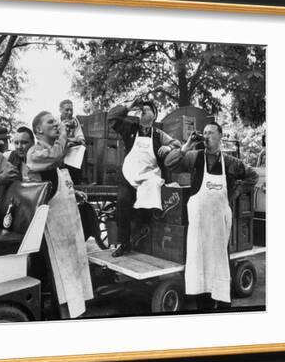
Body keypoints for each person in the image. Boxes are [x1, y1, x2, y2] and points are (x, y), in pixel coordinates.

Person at [165, 122, 259, 309]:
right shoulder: (194, 157)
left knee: (220, 269)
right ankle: (204, 308)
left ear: (220, 136)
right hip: (200, 230)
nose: (206, 136)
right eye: (204, 132)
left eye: (211, 133)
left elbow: (253, 176)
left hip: (219, 231)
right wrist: (186, 146)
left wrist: (235, 192)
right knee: (201, 272)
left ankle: (224, 307)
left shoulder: (231, 162)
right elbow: (169, 164)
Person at [108, 97, 181, 257]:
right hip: (129, 175)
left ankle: (144, 234)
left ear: (154, 115)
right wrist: (131, 104)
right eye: (140, 110)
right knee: (123, 201)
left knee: (148, 204)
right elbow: (113, 118)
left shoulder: (159, 135)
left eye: (146, 109)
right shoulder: (130, 128)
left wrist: (168, 147)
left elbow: (178, 145)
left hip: (149, 177)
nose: (142, 112)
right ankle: (124, 243)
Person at [27, 111, 99, 239]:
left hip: (58, 214)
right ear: (39, 129)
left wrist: (72, 192)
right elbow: (56, 156)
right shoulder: (34, 152)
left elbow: (57, 179)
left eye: (55, 121)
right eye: (50, 122)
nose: (56, 124)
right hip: (44, 219)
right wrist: (64, 134)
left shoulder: (56, 150)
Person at [59, 99, 86, 184]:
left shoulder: (75, 121)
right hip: (59, 148)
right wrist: (67, 141)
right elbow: (55, 138)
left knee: (81, 149)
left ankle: (77, 181)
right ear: (60, 110)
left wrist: (70, 141)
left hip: (71, 148)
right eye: (67, 110)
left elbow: (81, 139)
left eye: (71, 110)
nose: (70, 112)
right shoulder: (55, 120)